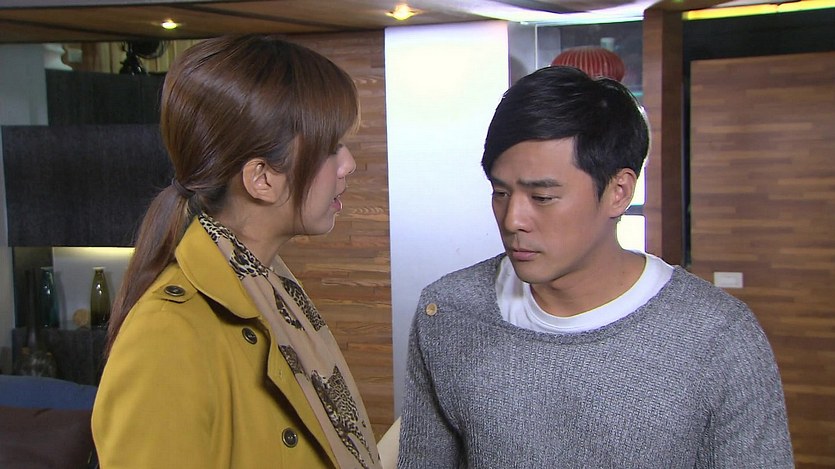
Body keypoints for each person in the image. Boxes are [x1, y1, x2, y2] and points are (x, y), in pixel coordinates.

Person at [397, 65, 793, 468]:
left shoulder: (717, 337)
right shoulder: (448, 312)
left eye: (542, 197)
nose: (512, 219)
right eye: (500, 193)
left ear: (618, 192)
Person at [92, 34, 382, 469]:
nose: (349, 165)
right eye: (330, 148)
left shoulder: (272, 290)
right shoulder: (167, 336)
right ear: (262, 179)